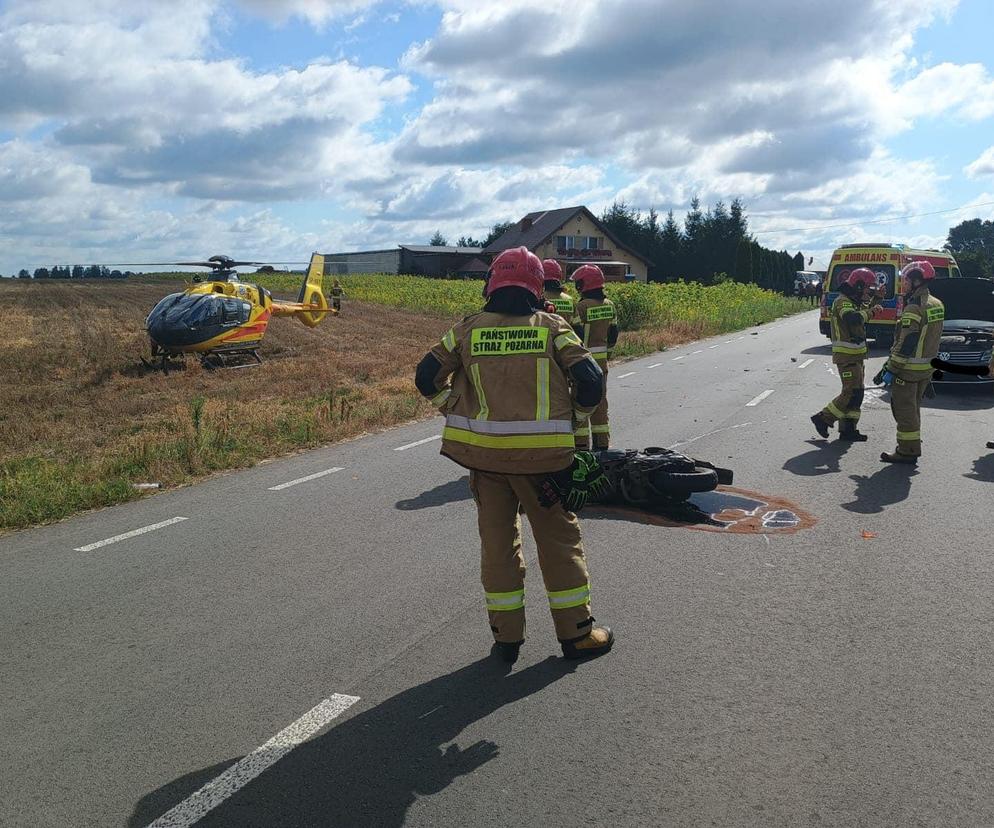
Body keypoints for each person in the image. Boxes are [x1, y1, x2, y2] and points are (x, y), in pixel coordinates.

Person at [414, 246, 614, 663]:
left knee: (498, 546)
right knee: (559, 544)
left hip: (486, 463)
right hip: (546, 465)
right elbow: (591, 381)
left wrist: (450, 405)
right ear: (536, 285)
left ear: (493, 282)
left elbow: (424, 375)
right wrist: (577, 418)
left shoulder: (467, 329)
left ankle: (505, 639)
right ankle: (577, 635)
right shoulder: (553, 327)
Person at [875, 260, 945, 464]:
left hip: (908, 370)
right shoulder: (936, 303)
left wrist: (890, 368)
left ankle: (907, 450)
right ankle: (912, 444)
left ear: (916, 280)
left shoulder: (914, 307)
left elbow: (907, 342)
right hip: (926, 369)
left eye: (906, 280)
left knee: (904, 410)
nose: (903, 284)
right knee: (914, 409)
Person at [810, 268, 881, 441]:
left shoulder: (854, 301)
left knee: (858, 394)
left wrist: (877, 299)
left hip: (856, 356)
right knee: (851, 392)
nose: (868, 292)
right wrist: (871, 311)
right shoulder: (842, 302)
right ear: (858, 286)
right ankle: (823, 418)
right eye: (867, 288)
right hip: (846, 357)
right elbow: (854, 318)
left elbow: (863, 312)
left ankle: (848, 429)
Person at [571, 264, 618, 450]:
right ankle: (602, 445)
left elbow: (577, 334)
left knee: (581, 403)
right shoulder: (610, 305)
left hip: (584, 362)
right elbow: (613, 333)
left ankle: (582, 446)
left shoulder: (581, 307)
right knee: (600, 403)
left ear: (585, 284)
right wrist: (607, 353)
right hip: (602, 363)